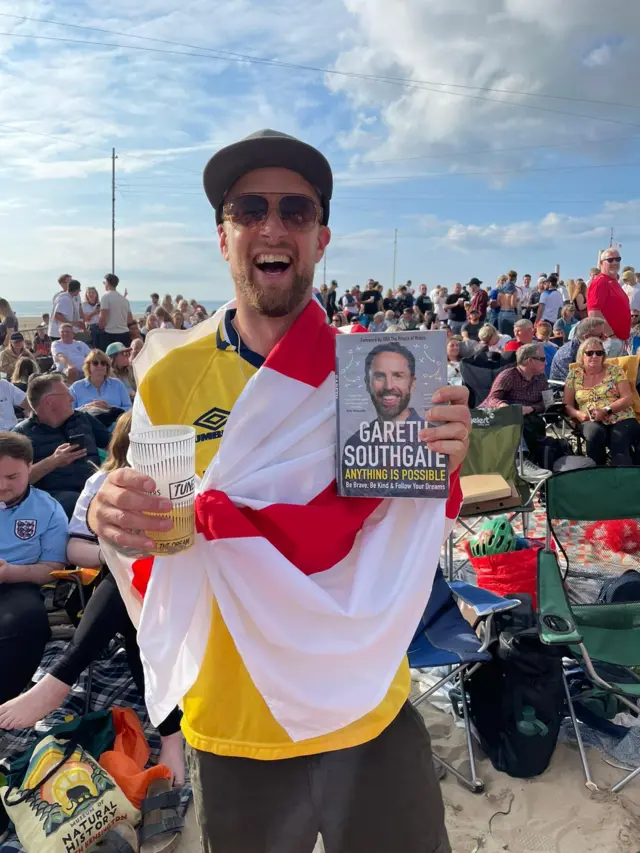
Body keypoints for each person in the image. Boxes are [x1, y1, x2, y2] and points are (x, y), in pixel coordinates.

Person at [87, 128, 470, 853]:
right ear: (223, 233)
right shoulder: (169, 376)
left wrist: (445, 459)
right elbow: (154, 531)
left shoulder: (377, 370)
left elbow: (402, 531)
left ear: (321, 237)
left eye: (295, 210)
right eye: (249, 208)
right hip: (235, 719)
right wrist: (111, 508)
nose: (273, 225)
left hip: (364, 701)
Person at [0, 413, 186, 785]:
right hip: (129, 586)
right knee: (131, 600)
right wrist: (114, 554)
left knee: (131, 592)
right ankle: (171, 737)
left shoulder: (185, 482)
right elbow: (75, 546)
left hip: (184, 581)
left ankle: (61, 678)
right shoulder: (103, 482)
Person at [0, 431, 68, 707]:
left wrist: (8, 573)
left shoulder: (48, 510)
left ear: (30, 467)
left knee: (28, 623)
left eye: (12, 477)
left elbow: (53, 567)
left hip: (18, 582)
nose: (2, 486)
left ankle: (5, 703)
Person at [13, 373, 109, 518]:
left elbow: (113, 445)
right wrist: (53, 461)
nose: (73, 398)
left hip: (96, 488)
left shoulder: (82, 419)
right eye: (67, 394)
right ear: (49, 401)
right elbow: (15, 482)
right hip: (57, 502)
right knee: (72, 502)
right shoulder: (22, 434)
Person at [564, 337, 639, 466]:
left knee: (619, 439)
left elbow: (627, 398)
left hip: (621, 416)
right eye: (590, 353)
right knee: (594, 433)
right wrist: (578, 414)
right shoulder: (574, 375)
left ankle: (625, 479)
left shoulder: (614, 370)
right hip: (589, 419)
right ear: (582, 355)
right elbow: (567, 405)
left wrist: (606, 410)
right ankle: (598, 472)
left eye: (599, 353)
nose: (595, 356)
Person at [480, 343, 549, 473]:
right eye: (542, 359)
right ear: (529, 360)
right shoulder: (508, 375)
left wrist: (531, 409)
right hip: (494, 416)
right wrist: (503, 406)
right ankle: (520, 460)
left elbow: (547, 404)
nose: (546, 363)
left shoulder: (542, 378)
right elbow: (492, 399)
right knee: (512, 415)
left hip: (526, 417)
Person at [587, 249, 631, 356]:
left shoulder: (613, 282)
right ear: (602, 263)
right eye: (610, 260)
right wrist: (611, 336)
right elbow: (593, 313)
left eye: (617, 259)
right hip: (609, 341)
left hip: (618, 341)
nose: (615, 262)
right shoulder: (600, 282)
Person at [550, 317, 608, 383]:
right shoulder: (568, 355)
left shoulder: (595, 348)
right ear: (587, 337)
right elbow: (574, 383)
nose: (604, 338)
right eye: (600, 336)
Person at [99, 273, 133, 349]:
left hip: (110, 333)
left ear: (107, 283)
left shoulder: (106, 297)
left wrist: (100, 327)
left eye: (104, 283)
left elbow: (103, 316)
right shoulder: (125, 300)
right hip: (124, 333)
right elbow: (130, 320)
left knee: (109, 358)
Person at [497, 273, 518, 337]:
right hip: (509, 313)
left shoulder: (501, 288)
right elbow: (512, 304)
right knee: (510, 336)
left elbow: (498, 303)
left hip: (501, 313)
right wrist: (518, 301)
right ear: (515, 279)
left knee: (501, 336)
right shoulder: (514, 289)